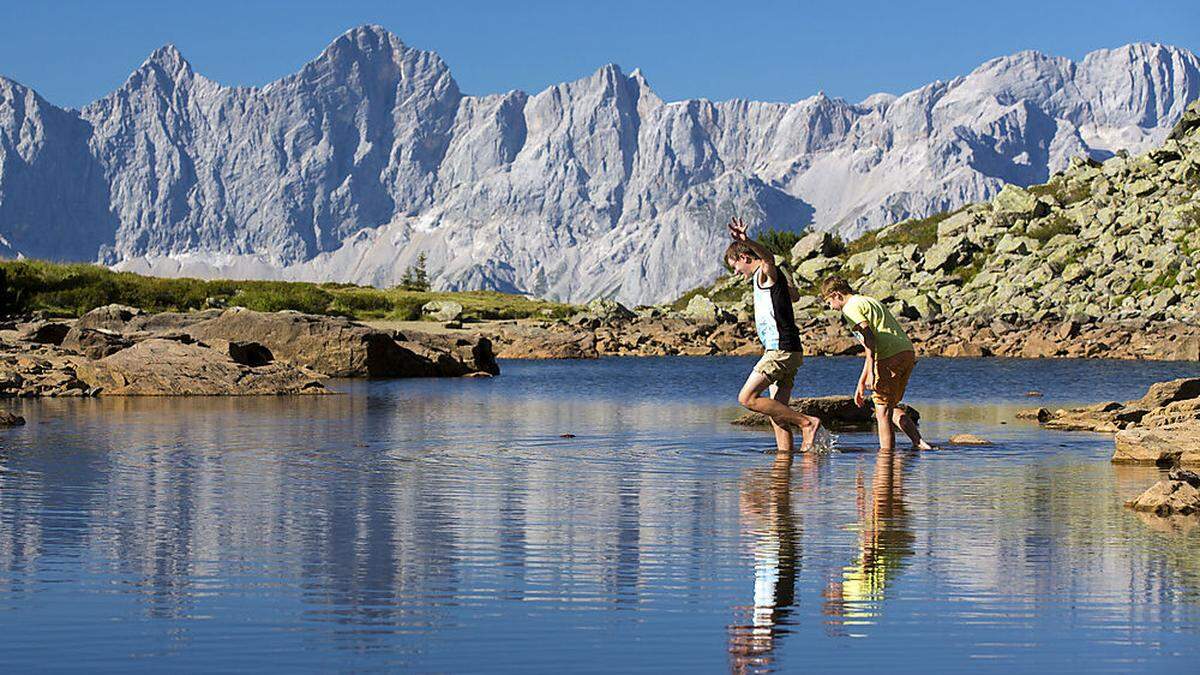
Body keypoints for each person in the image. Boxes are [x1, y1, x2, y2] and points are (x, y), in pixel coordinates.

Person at [725, 216, 821, 453]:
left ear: (744, 258)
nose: (736, 272)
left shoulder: (765, 272)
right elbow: (795, 296)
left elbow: (768, 258)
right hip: (790, 350)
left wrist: (748, 240)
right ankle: (784, 463)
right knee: (777, 412)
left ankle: (807, 423)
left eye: (735, 266)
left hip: (781, 350)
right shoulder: (771, 280)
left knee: (747, 398)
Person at [820, 276, 933, 451]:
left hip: (888, 355)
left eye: (829, 303)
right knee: (889, 405)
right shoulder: (868, 301)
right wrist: (861, 382)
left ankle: (886, 456)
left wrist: (872, 371)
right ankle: (919, 443)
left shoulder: (849, 308)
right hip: (906, 352)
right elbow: (870, 347)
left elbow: (869, 338)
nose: (831, 308)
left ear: (836, 295)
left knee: (882, 412)